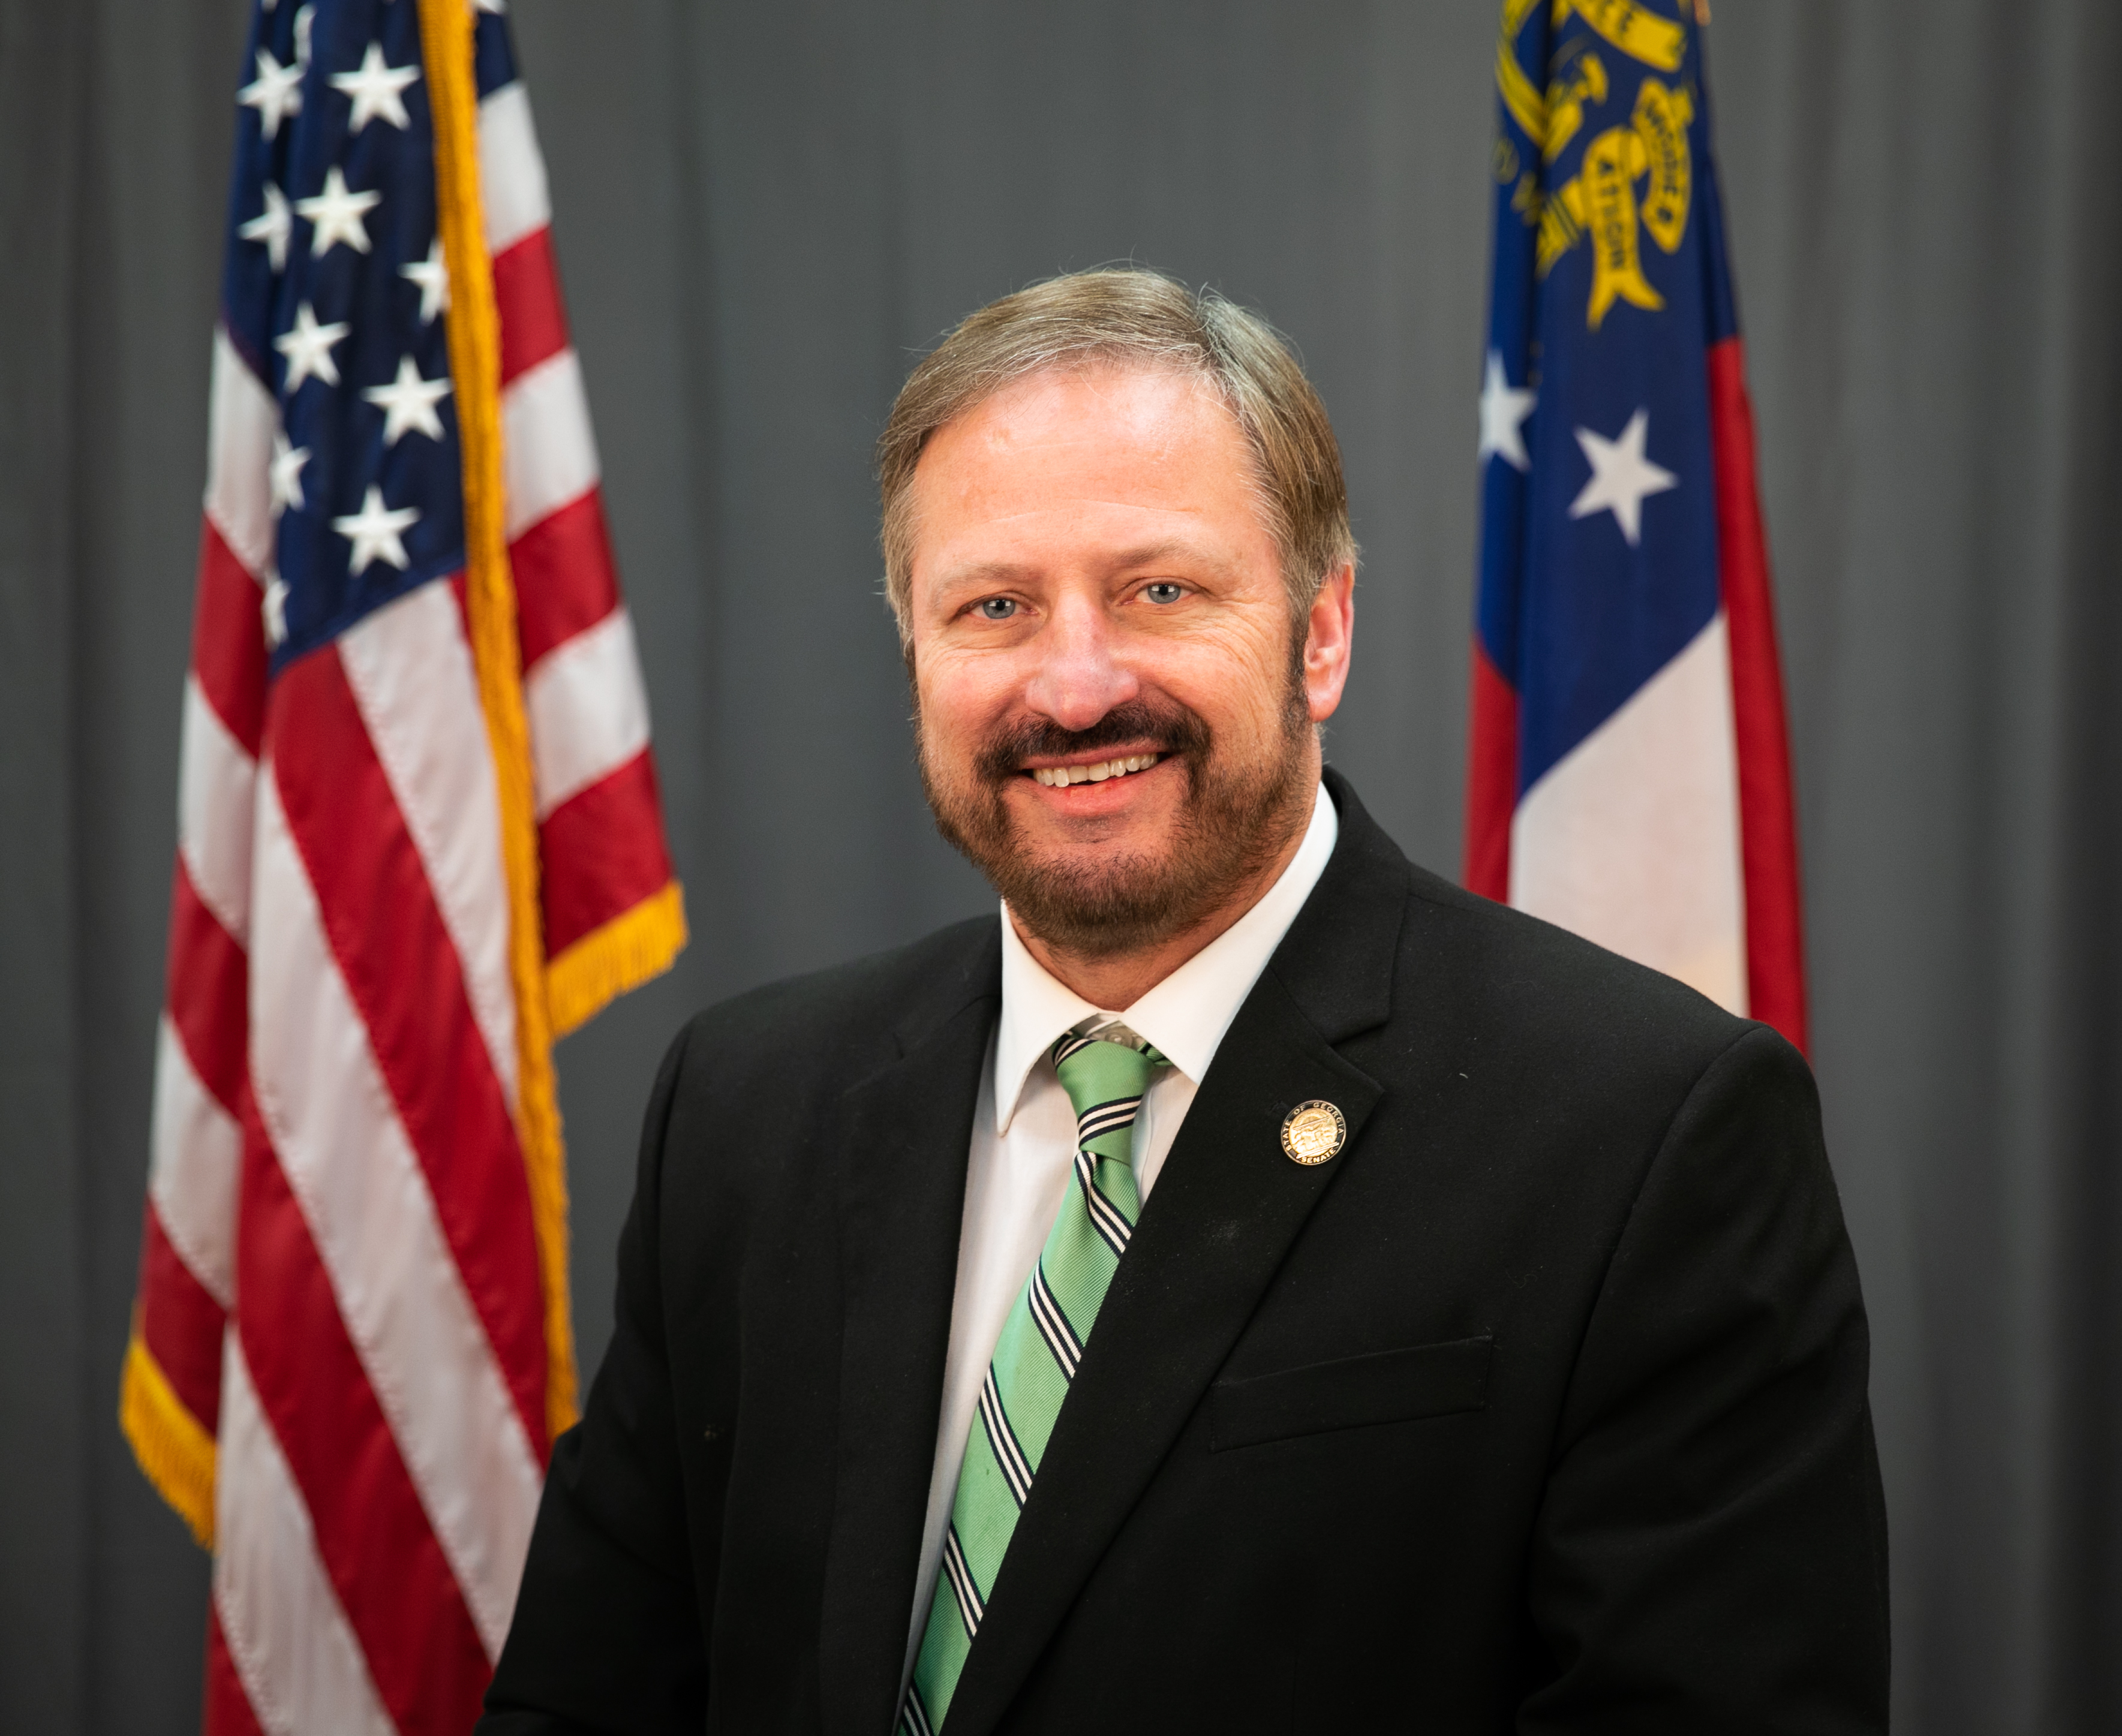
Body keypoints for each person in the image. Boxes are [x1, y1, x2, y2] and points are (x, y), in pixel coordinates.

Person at [480, 269, 1889, 1735]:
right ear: (915, 654)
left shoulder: (1644, 1133)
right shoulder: (745, 1108)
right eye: (995, 606)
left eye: (1158, 589)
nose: (1074, 686)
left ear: (1319, 631)